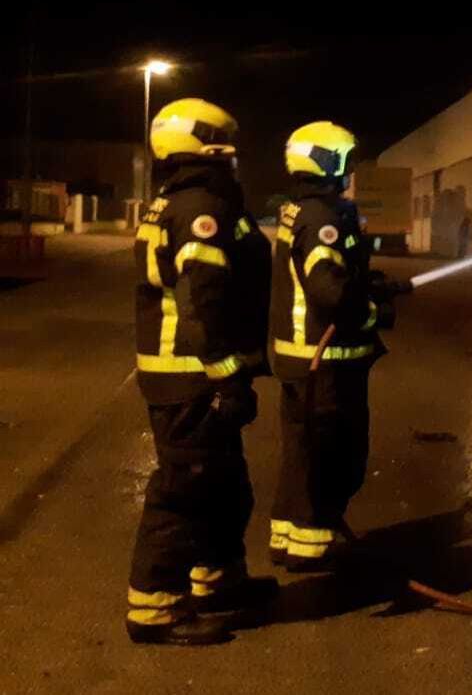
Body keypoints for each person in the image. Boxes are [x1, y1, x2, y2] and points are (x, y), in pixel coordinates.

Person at [127, 98, 275, 646]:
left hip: (195, 376)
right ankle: (154, 609)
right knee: (183, 491)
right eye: (224, 141)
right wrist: (228, 377)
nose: (233, 152)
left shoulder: (186, 201)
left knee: (224, 486)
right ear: (204, 145)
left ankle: (217, 581)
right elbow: (201, 305)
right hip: (191, 378)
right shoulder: (199, 210)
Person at [267, 121, 389, 570]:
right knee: (334, 456)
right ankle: (313, 546)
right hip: (327, 363)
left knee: (301, 455)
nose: (351, 169)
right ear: (330, 161)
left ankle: (288, 536)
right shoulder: (324, 217)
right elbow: (330, 292)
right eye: (347, 160)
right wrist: (375, 311)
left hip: (301, 360)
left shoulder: (299, 210)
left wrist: (366, 283)